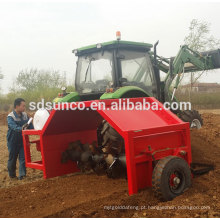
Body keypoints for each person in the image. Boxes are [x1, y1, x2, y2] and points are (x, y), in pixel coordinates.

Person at [7, 98, 33, 180]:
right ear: (17, 106)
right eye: (23, 106)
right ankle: (12, 175)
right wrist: (22, 129)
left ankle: (21, 175)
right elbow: (13, 127)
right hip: (13, 141)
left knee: (23, 158)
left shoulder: (25, 115)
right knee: (12, 158)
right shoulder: (10, 116)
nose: (24, 108)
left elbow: (31, 126)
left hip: (22, 140)